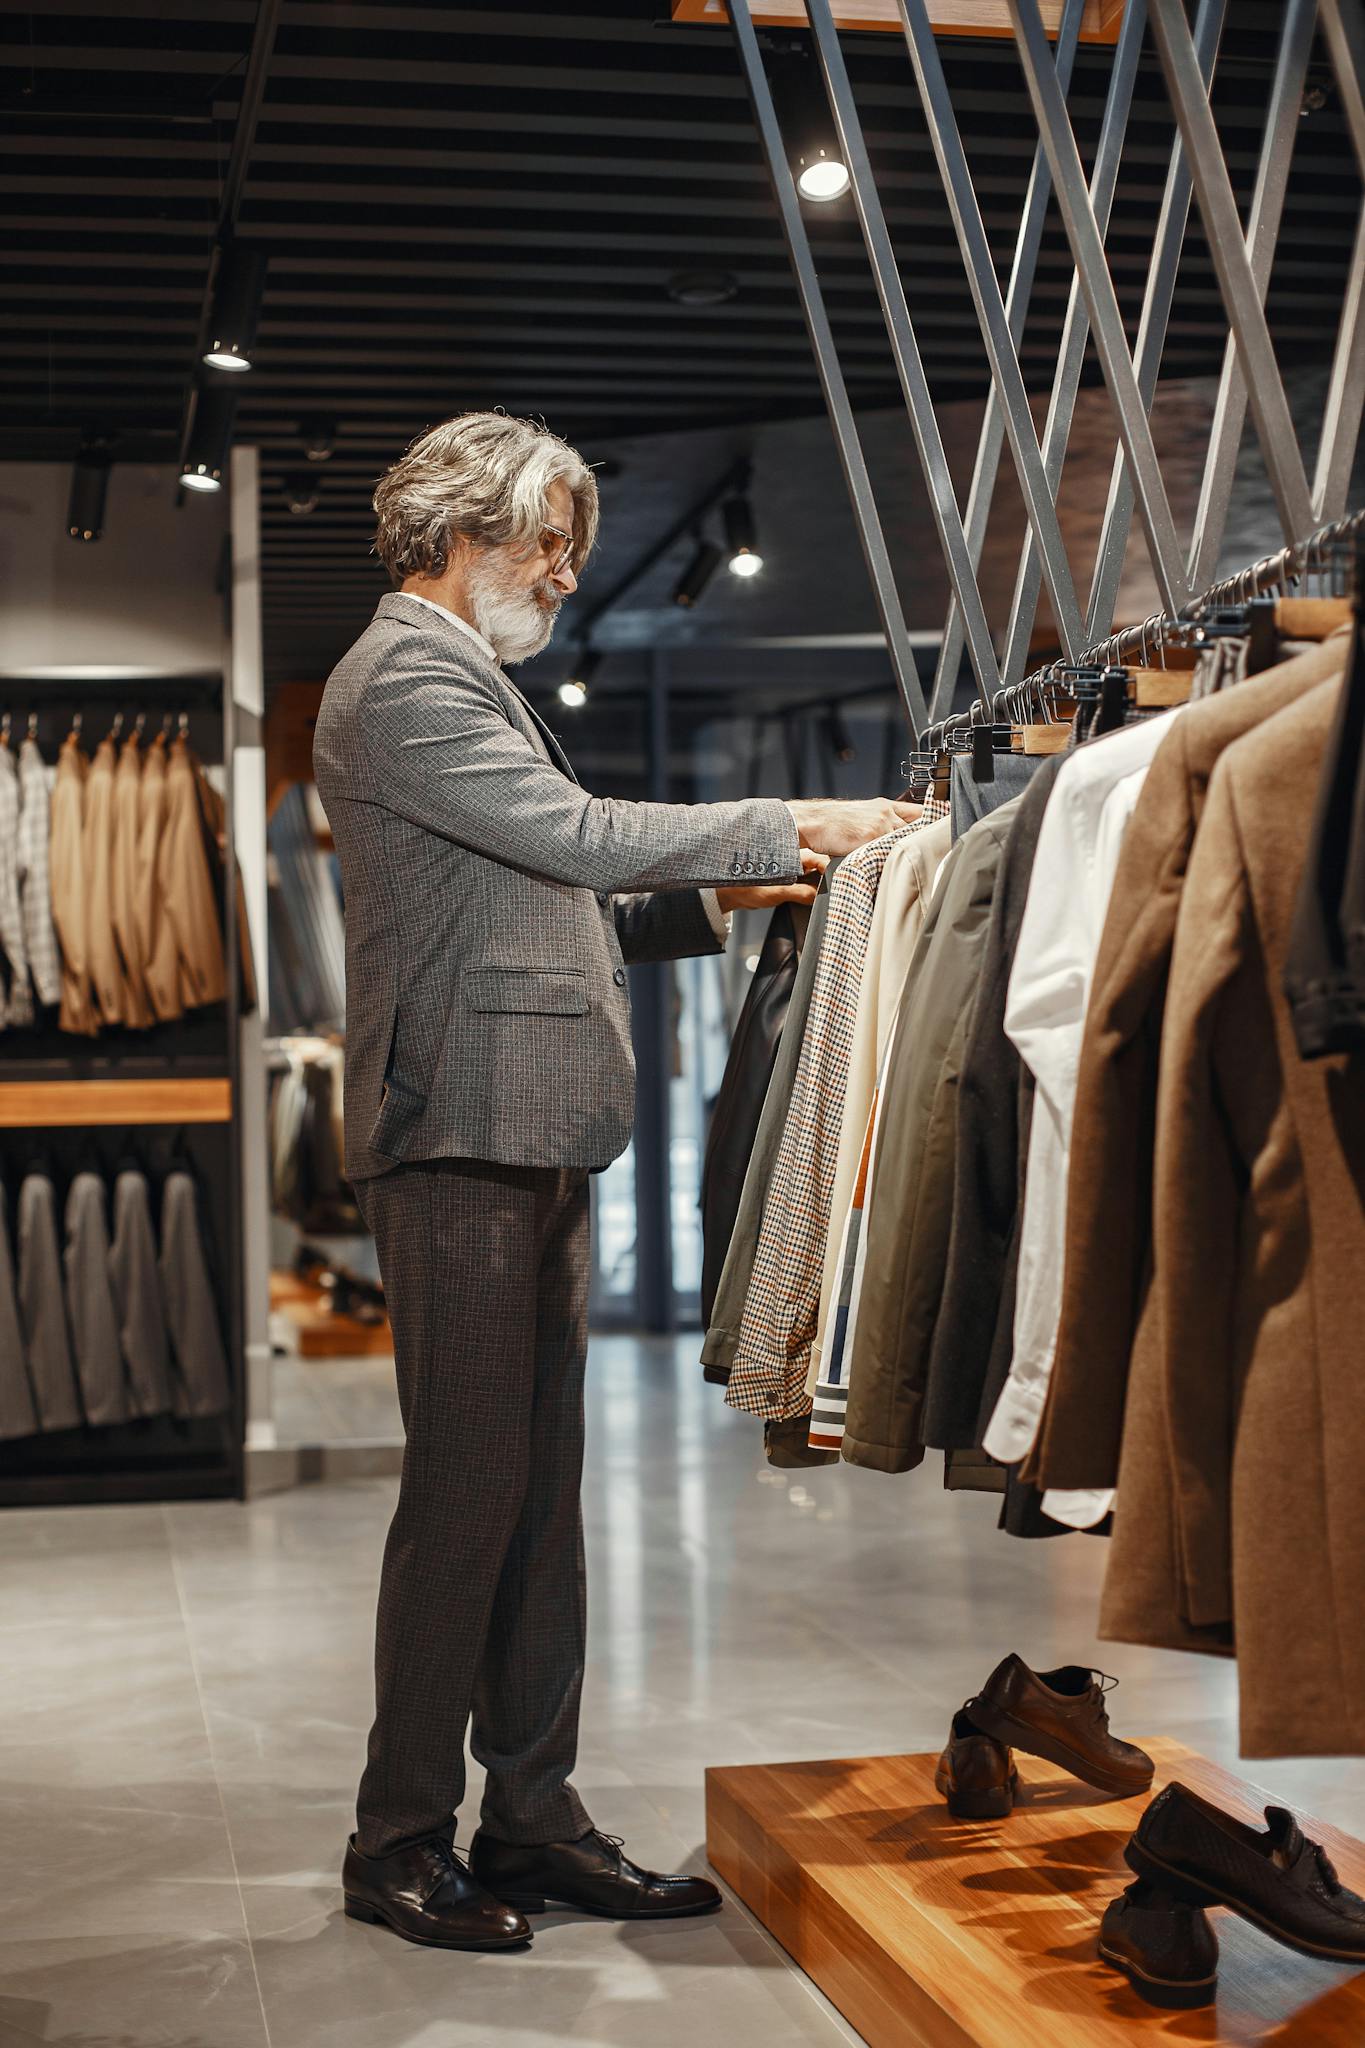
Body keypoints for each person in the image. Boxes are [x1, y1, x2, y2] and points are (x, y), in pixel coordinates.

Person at [313, 410, 920, 1953]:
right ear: (462, 532)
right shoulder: (403, 678)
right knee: (466, 1499)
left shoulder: (467, 684)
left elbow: (533, 899)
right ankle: (395, 1839)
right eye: (547, 543)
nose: (567, 574)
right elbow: (572, 841)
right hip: (457, 1128)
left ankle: (529, 1816)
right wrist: (798, 818)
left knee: (534, 1502)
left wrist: (729, 889)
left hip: (521, 1126)